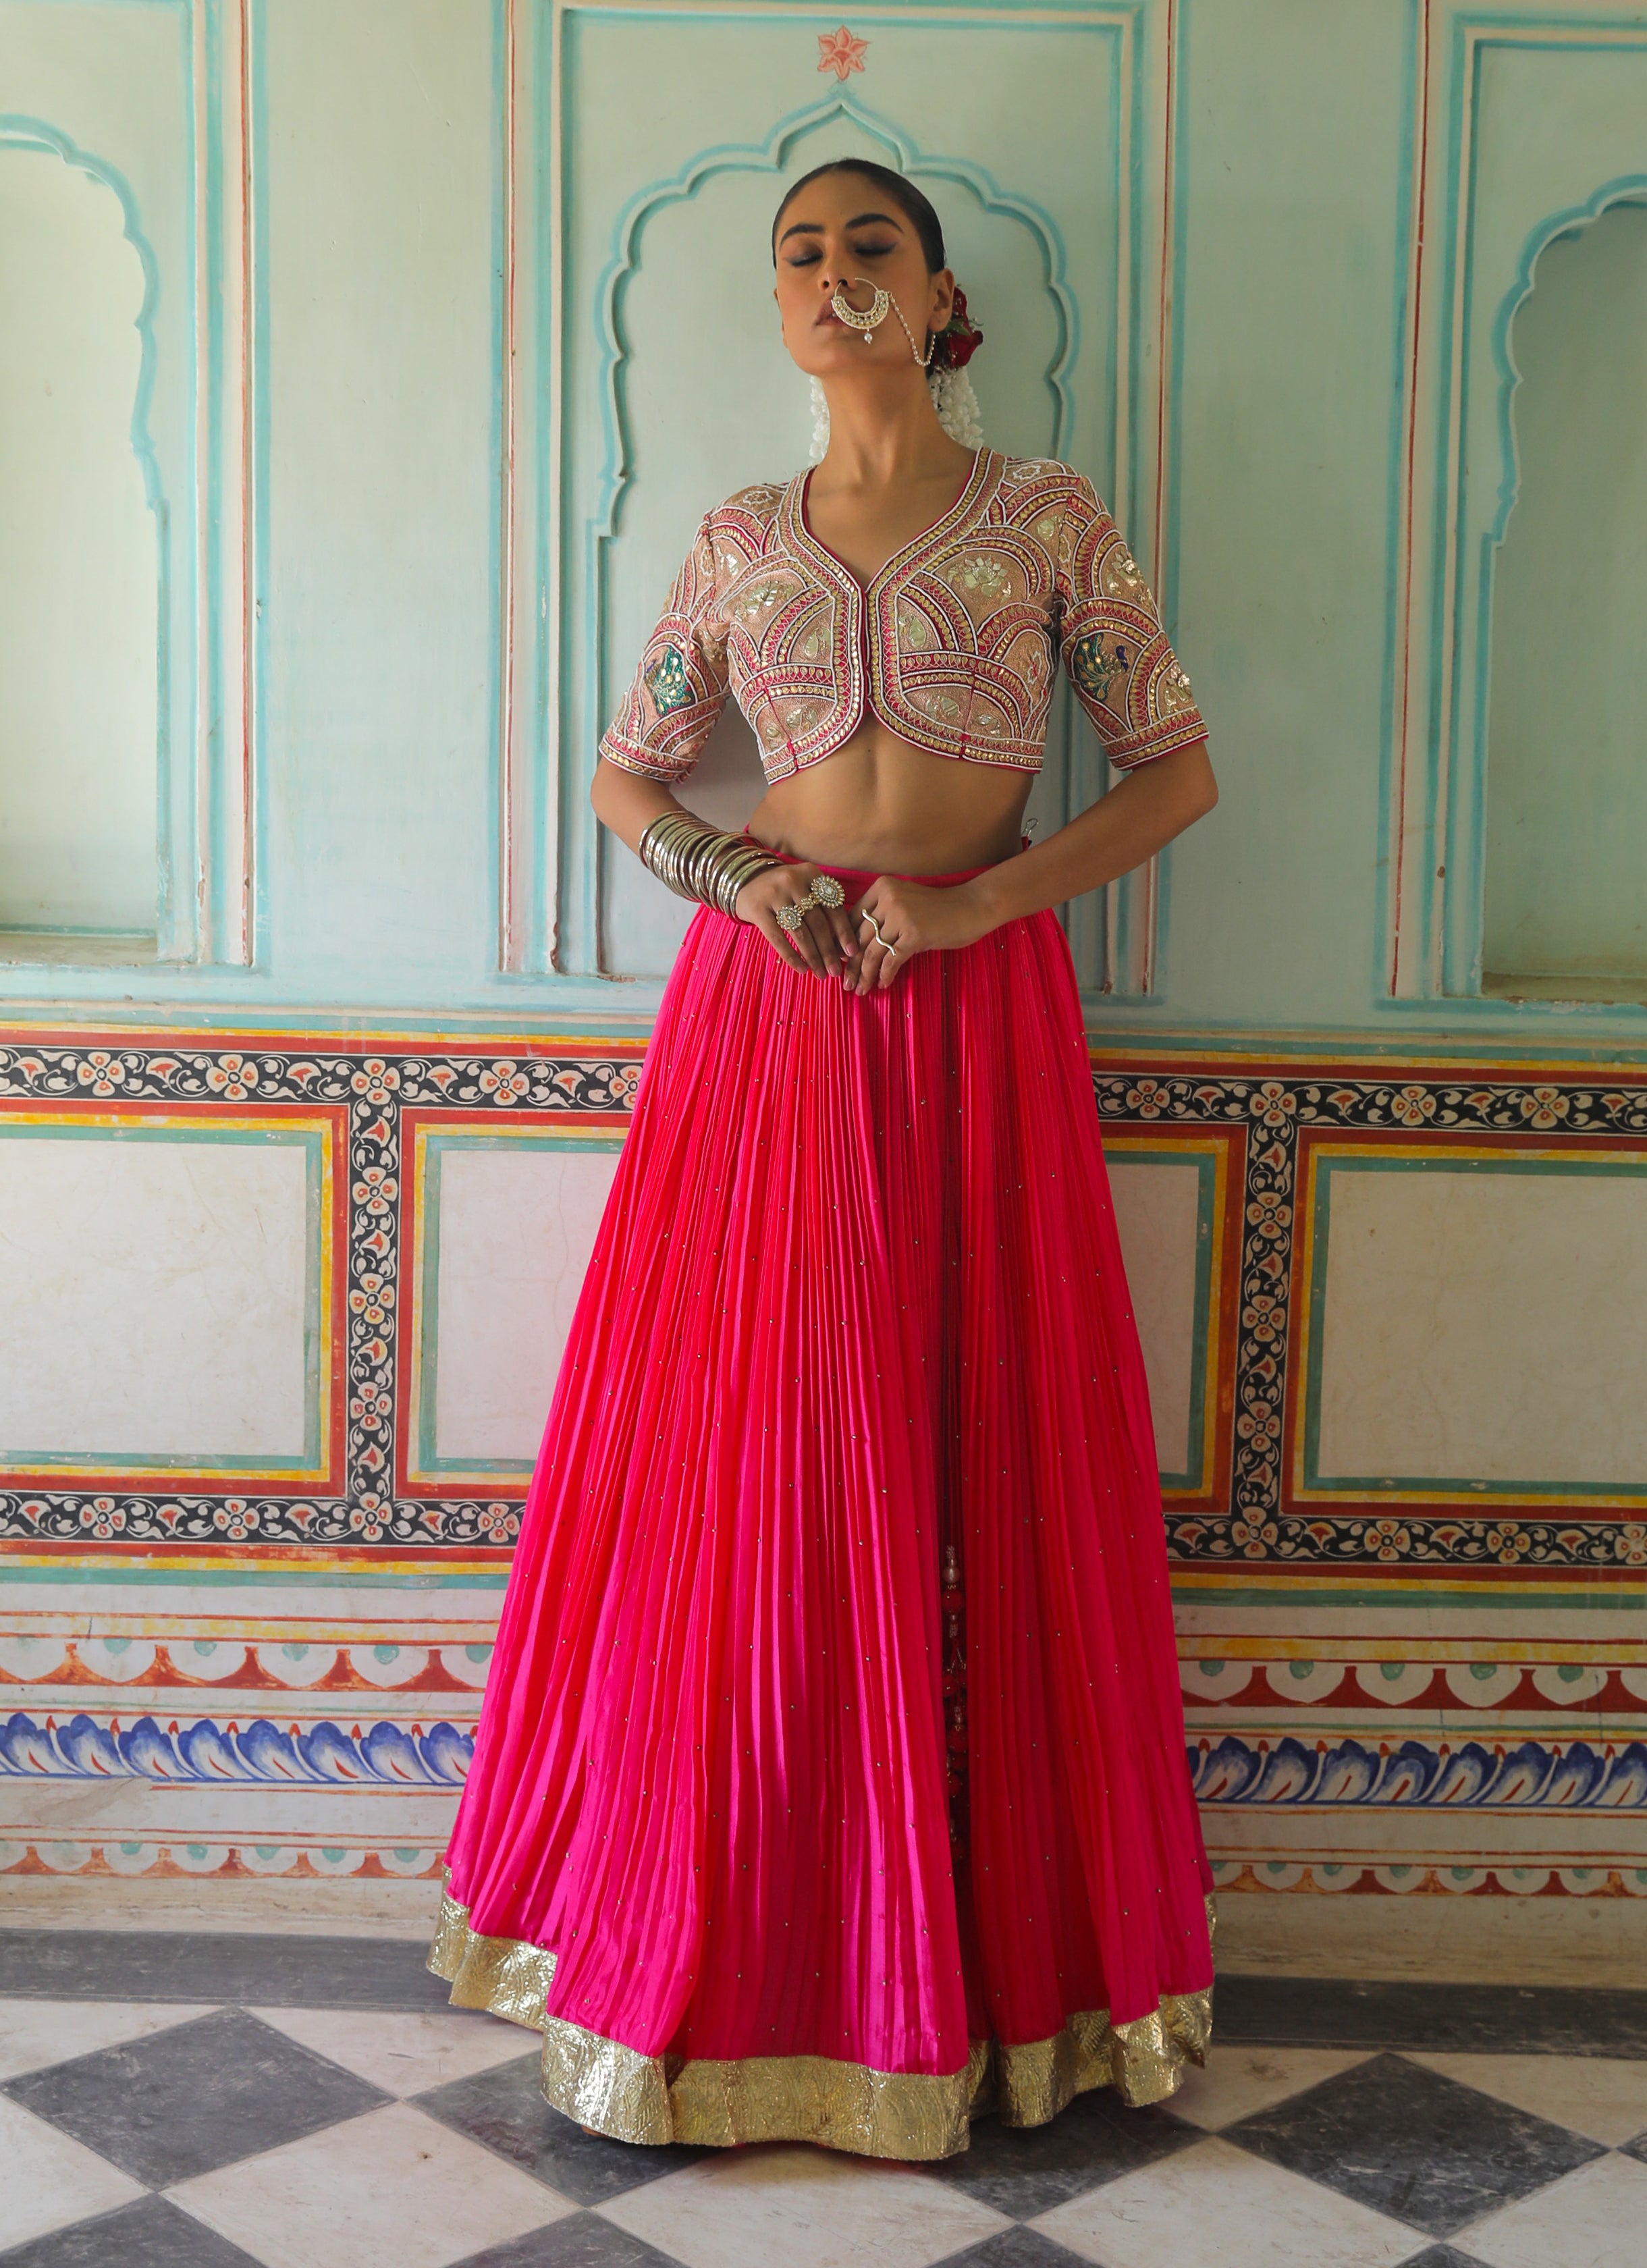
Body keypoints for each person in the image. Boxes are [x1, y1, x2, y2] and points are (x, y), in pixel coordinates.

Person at [429, 157, 1220, 2161]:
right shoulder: (736, 537)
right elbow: (631, 772)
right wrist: (736, 876)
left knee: (981, 1453)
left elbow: (1176, 771)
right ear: (775, 307)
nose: (837, 277)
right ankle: (727, 1963)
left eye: (872, 247)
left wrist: (978, 907)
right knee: (763, 1462)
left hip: (974, 1015)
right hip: (772, 1023)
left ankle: (983, 1984)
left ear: (940, 293)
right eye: (802, 253)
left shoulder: (1046, 514)